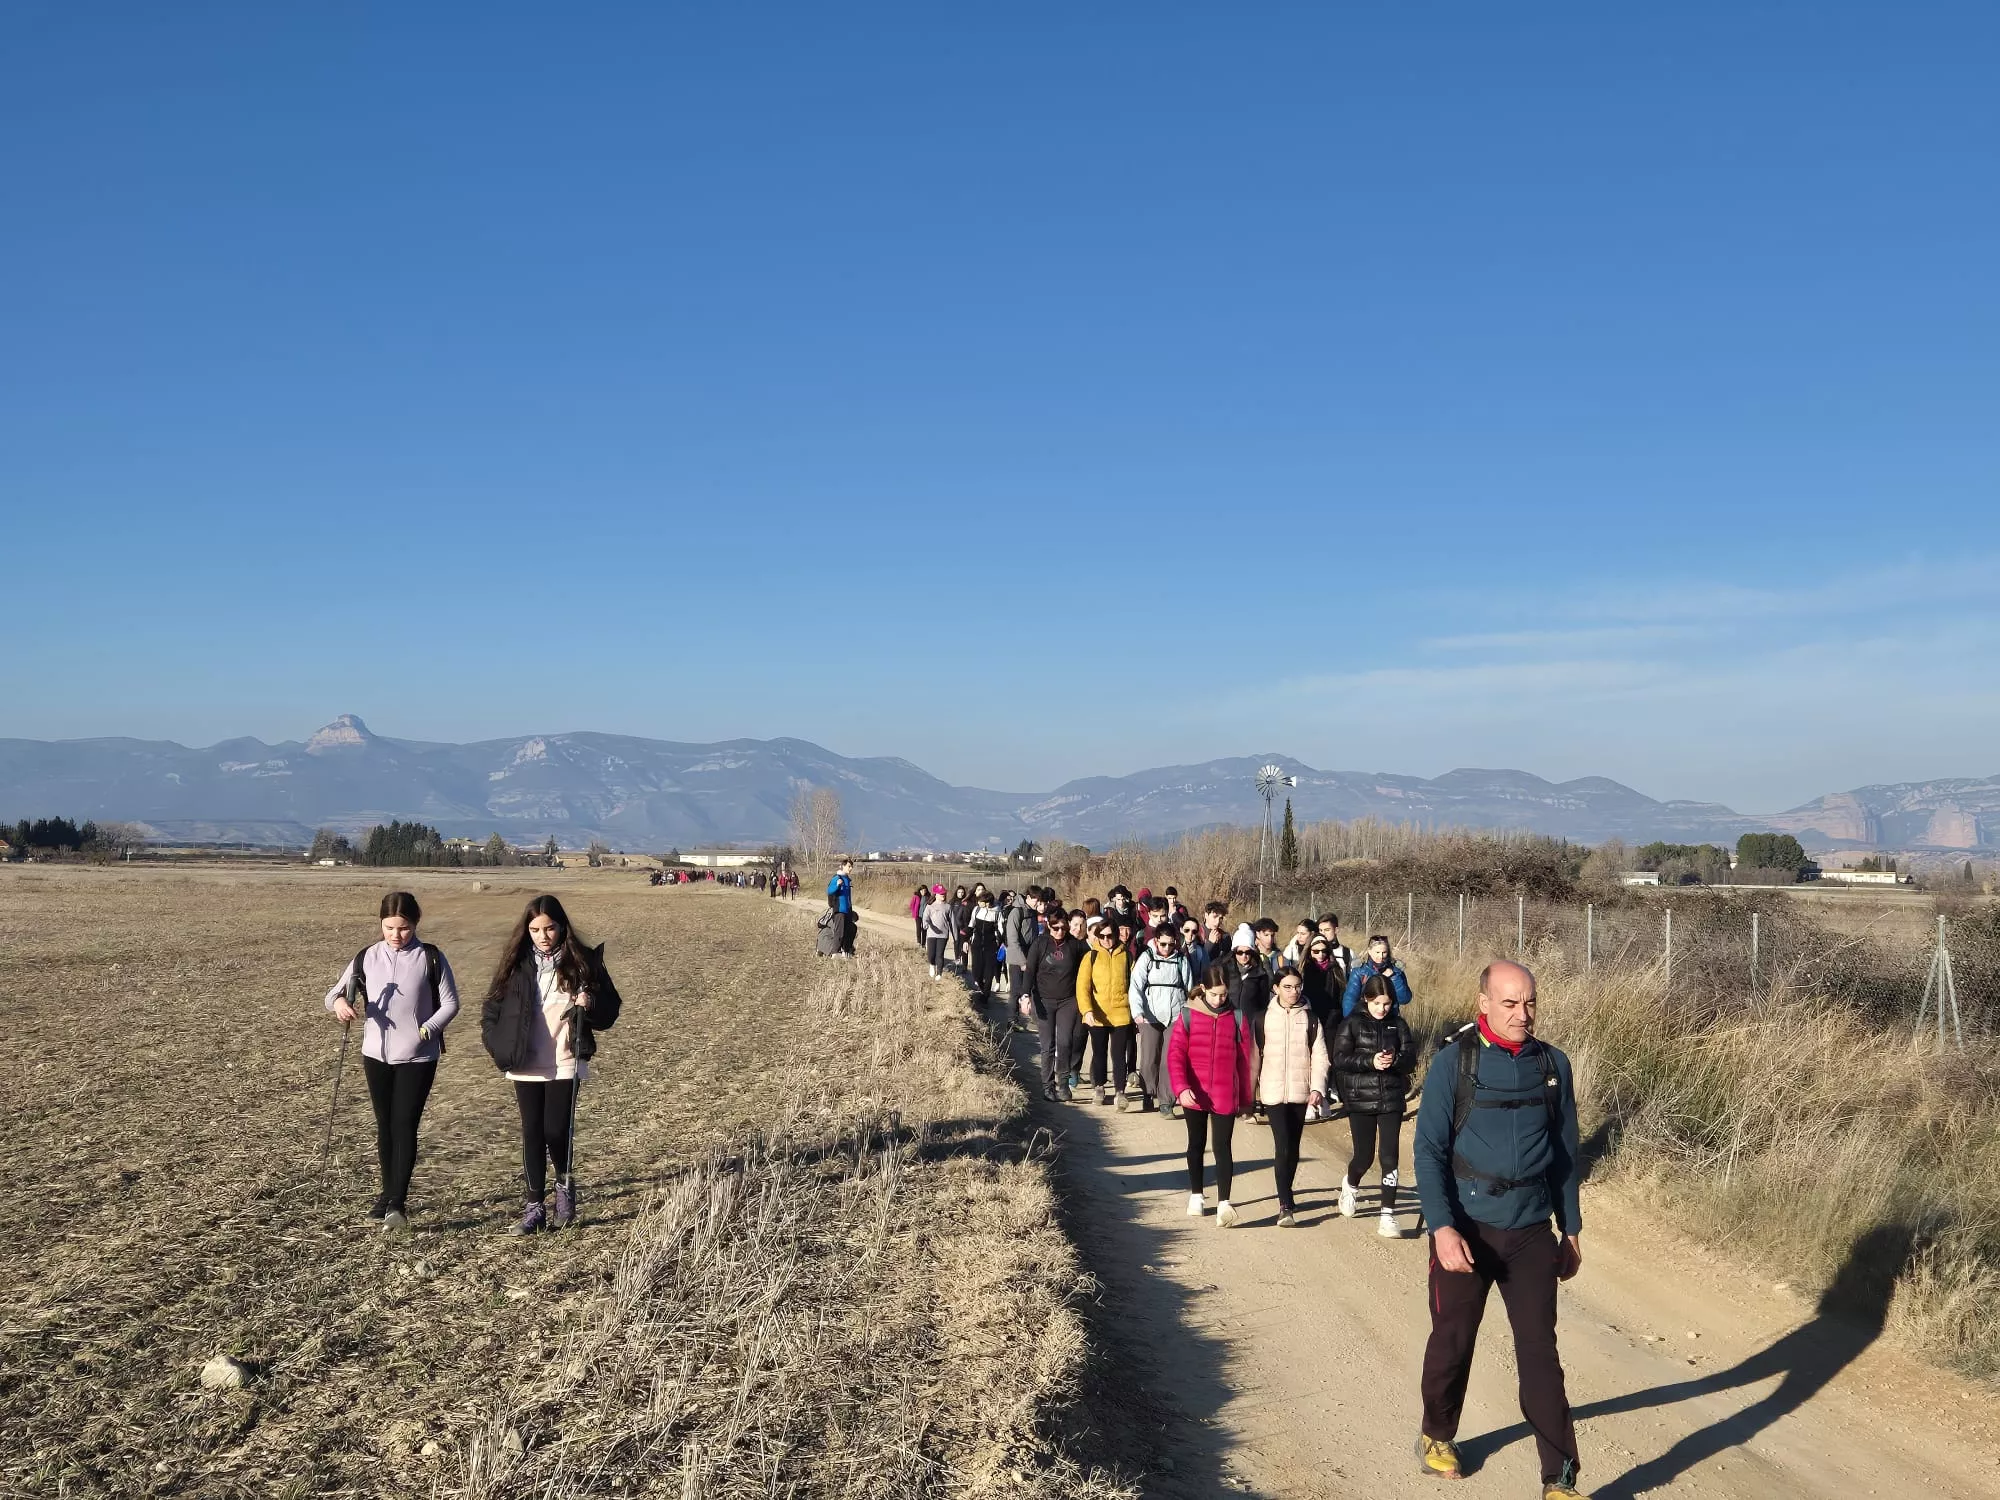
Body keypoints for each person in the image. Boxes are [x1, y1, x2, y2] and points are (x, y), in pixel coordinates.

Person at [1411, 961, 1585, 1497]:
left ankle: (1558, 1478)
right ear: (1483, 1003)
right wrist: (1441, 1227)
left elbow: (1566, 1156)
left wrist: (1570, 1227)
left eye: (1530, 1002)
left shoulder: (1553, 1065)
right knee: (1453, 1339)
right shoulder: (1453, 1064)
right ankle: (1437, 1433)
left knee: (1540, 1353)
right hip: (1467, 1225)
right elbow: (1429, 1150)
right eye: (1510, 1003)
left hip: (1531, 1228)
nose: (1522, 1014)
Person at [480, 895, 623, 1233]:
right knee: (532, 1132)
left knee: (556, 1130)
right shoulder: (515, 965)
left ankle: (564, 1187)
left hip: (565, 1058)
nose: (543, 936)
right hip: (524, 1060)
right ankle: (533, 1208)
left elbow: (610, 1011)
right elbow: (491, 1010)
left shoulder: (584, 963)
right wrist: (497, 1044)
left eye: (549, 928)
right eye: (535, 929)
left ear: (562, 927)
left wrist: (590, 1003)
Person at [322, 891, 460, 1231]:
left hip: (417, 1056)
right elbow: (332, 995)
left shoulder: (431, 958)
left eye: (404, 928)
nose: (396, 935)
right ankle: (386, 1194)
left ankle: (397, 1203)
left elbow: (450, 1003)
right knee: (384, 1125)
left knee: (404, 1124)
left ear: (415, 924)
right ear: (381, 924)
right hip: (376, 1054)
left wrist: (428, 1029)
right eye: (389, 928)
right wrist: (340, 1004)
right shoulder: (365, 957)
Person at [1166, 963, 1257, 1227]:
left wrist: (1246, 1100)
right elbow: (1175, 1056)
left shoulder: (1237, 1017)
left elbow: (1244, 1061)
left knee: (1223, 1147)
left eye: (1224, 994)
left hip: (1224, 1092)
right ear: (1203, 989)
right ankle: (1196, 1194)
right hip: (1193, 1092)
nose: (1220, 999)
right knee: (1196, 1144)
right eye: (1215, 994)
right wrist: (1181, 1088)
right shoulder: (1187, 1015)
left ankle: (1224, 1203)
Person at [1330, 974, 1417, 1237]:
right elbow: (1340, 1058)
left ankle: (1387, 1216)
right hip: (1360, 1099)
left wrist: (1395, 1061)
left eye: (1387, 1003)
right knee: (1364, 1157)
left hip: (1391, 1098)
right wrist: (1370, 1061)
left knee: (1390, 1157)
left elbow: (1410, 1058)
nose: (1382, 1009)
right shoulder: (1352, 1024)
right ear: (1366, 999)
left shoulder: (1398, 1025)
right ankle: (1351, 1185)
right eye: (1377, 1003)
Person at [1257, 964, 1329, 1226]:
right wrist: (1250, 1093)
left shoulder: (1311, 1019)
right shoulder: (1263, 1018)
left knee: (1294, 1148)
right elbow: (1255, 1057)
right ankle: (1285, 1204)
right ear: (1276, 988)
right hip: (1273, 1090)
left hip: (1301, 1091)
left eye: (1297, 987)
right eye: (1287, 987)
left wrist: (1318, 1087)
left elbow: (1320, 1055)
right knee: (1282, 1145)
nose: (1293, 992)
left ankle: (1287, 1190)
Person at [1024, 908, 1087, 1102]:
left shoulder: (1075, 945)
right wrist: (1025, 995)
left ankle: (1064, 1083)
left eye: (1063, 927)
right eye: (1055, 928)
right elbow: (1030, 971)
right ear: (1048, 926)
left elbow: (1091, 964)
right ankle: (1048, 1086)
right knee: (1048, 1045)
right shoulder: (1040, 943)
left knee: (1066, 1042)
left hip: (1068, 1000)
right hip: (1043, 1000)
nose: (1060, 931)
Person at [1129, 923, 1193, 1113]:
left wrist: (1189, 1015)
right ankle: (1148, 1092)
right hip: (1150, 1015)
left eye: (1171, 945)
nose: (1166, 949)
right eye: (1163, 944)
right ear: (1156, 941)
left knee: (1169, 1060)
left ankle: (1166, 1101)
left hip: (1175, 1015)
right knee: (1149, 1059)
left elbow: (1190, 989)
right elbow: (1136, 985)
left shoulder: (1181, 960)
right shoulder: (1146, 958)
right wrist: (1137, 1011)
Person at [1076, 917, 1135, 1107]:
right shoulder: (1090, 956)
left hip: (1121, 1013)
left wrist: (1136, 1012)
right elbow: (1082, 987)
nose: (1106, 939)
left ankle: (1120, 1092)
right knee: (1099, 1053)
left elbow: (1135, 985)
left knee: (1118, 1055)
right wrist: (1087, 1010)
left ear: (1116, 935)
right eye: (1102, 936)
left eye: (1110, 935)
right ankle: (1099, 1087)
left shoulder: (1127, 956)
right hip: (1098, 1015)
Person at [1342, 933, 1413, 1016]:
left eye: (1384, 952)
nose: (1381, 956)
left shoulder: (1396, 971)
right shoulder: (1360, 971)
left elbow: (1405, 999)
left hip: (1389, 1018)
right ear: (1369, 951)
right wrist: (1350, 1020)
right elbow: (1350, 999)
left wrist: (1394, 978)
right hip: (1364, 1018)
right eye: (1377, 952)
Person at [1004, 887, 1041, 1027]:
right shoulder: (1016, 912)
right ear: (1028, 898)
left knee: (1031, 989)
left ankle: (1034, 1018)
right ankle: (1012, 1020)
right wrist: (1022, 961)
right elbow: (1012, 939)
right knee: (1016, 990)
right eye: (1036, 899)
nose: (1038, 903)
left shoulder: (1032, 913)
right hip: (1017, 957)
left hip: (1030, 955)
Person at [968, 889, 1002, 1001]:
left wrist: (999, 942)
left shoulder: (997, 912)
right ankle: (982, 988)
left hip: (991, 945)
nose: (978, 903)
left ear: (987, 902)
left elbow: (1001, 930)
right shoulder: (977, 910)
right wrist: (965, 938)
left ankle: (986, 995)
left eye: (981, 901)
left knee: (988, 972)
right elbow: (971, 925)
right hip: (976, 944)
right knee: (976, 972)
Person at [922, 882, 954, 979]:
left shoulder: (948, 907)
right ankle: (932, 965)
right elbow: (925, 918)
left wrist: (955, 936)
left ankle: (939, 973)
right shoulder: (930, 906)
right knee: (931, 954)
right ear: (935, 895)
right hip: (931, 934)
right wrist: (926, 924)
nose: (943, 895)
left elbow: (952, 922)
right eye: (941, 894)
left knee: (939, 955)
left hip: (943, 934)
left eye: (944, 893)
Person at [827, 859, 856, 957]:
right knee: (839, 931)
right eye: (849, 866)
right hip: (839, 909)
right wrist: (837, 885)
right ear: (842, 866)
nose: (851, 868)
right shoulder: (837, 878)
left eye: (851, 867)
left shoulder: (847, 879)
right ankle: (835, 952)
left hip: (847, 909)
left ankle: (846, 951)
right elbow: (829, 891)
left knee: (850, 930)